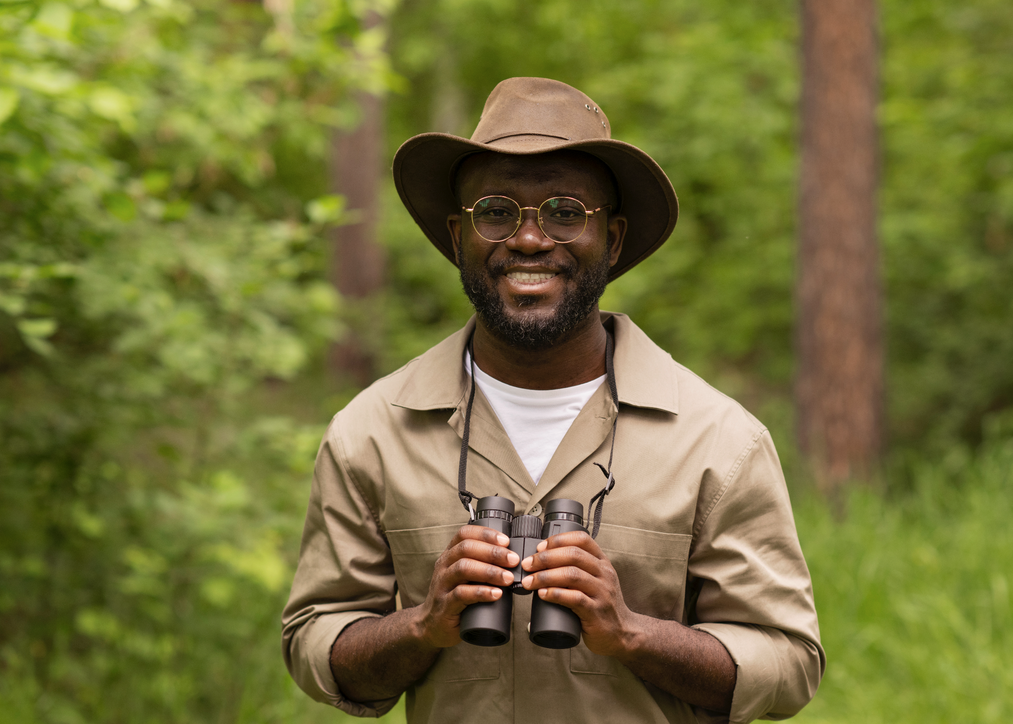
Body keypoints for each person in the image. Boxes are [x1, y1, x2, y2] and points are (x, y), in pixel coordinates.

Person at [282, 77, 824, 724]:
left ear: (614, 240)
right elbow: (316, 640)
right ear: (459, 236)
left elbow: (788, 662)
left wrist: (629, 631)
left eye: (567, 212)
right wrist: (423, 623)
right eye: (496, 212)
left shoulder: (717, 440)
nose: (531, 239)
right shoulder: (372, 431)